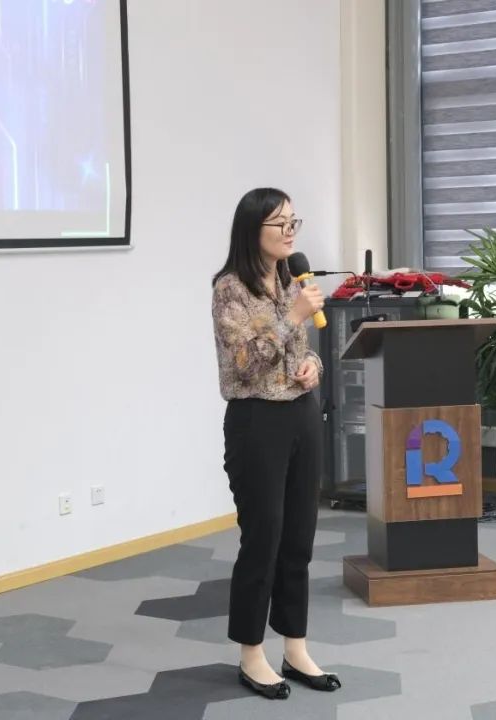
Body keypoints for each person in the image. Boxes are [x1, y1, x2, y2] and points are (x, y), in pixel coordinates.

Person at [211, 188, 341, 700]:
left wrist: (314, 366)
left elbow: (299, 352)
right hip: (256, 422)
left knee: (299, 539)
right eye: (280, 223)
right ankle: (251, 654)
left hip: (301, 414)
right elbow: (244, 363)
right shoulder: (230, 289)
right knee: (262, 539)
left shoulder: (290, 279)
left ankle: (296, 648)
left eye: (293, 222)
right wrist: (293, 317)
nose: (290, 232)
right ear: (253, 230)